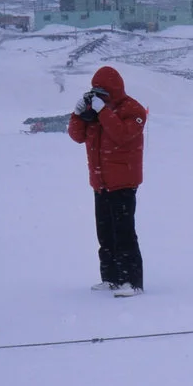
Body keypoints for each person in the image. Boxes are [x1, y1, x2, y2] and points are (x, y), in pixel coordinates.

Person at [68, 66, 148, 297]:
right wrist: (78, 114)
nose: (98, 96)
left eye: (102, 92)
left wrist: (103, 111)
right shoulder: (98, 111)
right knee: (105, 235)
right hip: (100, 182)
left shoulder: (133, 109)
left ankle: (131, 283)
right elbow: (77, 136)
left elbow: (122, 135)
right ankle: (111, 279)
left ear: (113, 90)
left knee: (124, 234)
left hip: (123, 182)